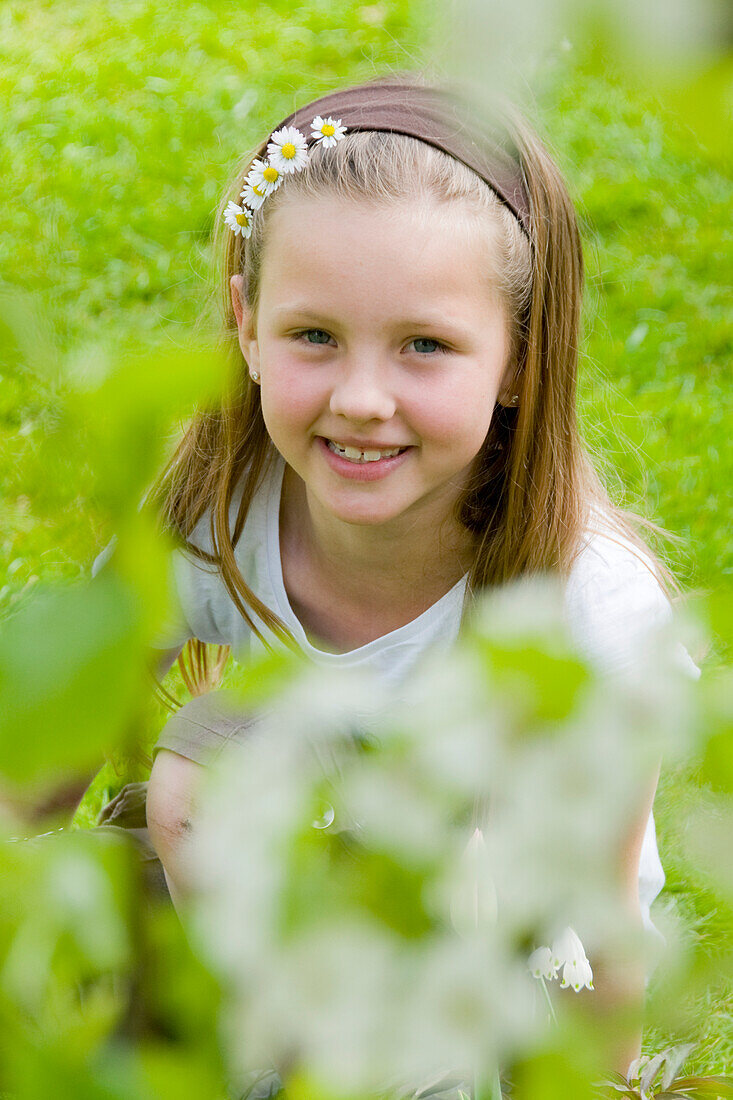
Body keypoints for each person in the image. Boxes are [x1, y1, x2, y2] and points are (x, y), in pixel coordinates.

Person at [92, 75, 697, 1083]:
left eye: (424, 345)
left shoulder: (589, 613)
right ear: (246, 324)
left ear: (515, 359)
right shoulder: (209, 522)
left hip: (477, 980)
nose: (362, 398)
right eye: (313, 336)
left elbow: (602, 930)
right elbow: (34, 769)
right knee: (207, 759)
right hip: (239, 949)